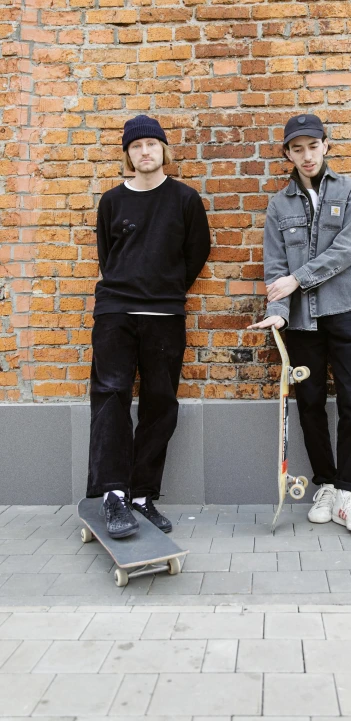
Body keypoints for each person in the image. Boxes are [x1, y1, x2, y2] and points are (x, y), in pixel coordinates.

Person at [249, 113, 351, 534]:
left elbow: (346, 250)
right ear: (287, 153)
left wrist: (298, 279)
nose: (306, 155)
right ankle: (324, 483)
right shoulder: (279, 204)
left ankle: (349, 493)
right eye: (296, 148)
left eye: (313, 146)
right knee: (310, 404)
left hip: (348, 310)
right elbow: (275, 266)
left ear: (326, 145)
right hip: (302, 321)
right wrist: (279, 313)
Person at [87, 115, 210, 538]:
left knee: (160, 404)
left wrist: (167, 288)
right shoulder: (111, 202)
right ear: (128, 155)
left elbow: (197, 252)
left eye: (151, 145)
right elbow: (108, 257)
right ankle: (112, 495)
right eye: (136, 146)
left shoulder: (184, 199)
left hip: (164, 316)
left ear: (163, 150)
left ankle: (142, 494)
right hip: (115, 314)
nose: (144, 152)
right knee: (110, 399)